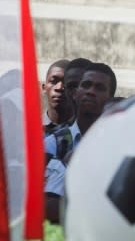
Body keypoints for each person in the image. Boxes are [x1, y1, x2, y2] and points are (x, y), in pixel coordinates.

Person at [44, 62, 117, 223]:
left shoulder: (117, 145)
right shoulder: (52, 142)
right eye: (86, 85)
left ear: (110, 98)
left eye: (99, 88)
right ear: (76, 93)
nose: (91, 91)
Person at [42, 59, 73, 135]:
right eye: (53, 81)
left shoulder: (86, 131)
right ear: (44, 87)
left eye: (66, 82)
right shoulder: (30, 129)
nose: (59, 87)